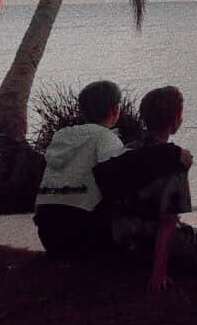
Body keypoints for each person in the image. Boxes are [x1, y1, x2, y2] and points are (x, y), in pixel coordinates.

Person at [93, 85, 194, 292]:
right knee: (196, 239)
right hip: (146, 243)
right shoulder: (175, 162)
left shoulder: (128, 152)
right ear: (175, 121)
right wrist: (158, 274)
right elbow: (167, 223)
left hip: (121, 240)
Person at [32, 80, 126, 257]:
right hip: (82, 231)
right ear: (115, 110)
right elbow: (115, 181)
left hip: (47, 230)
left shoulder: (61, 135)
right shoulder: (106, 138)